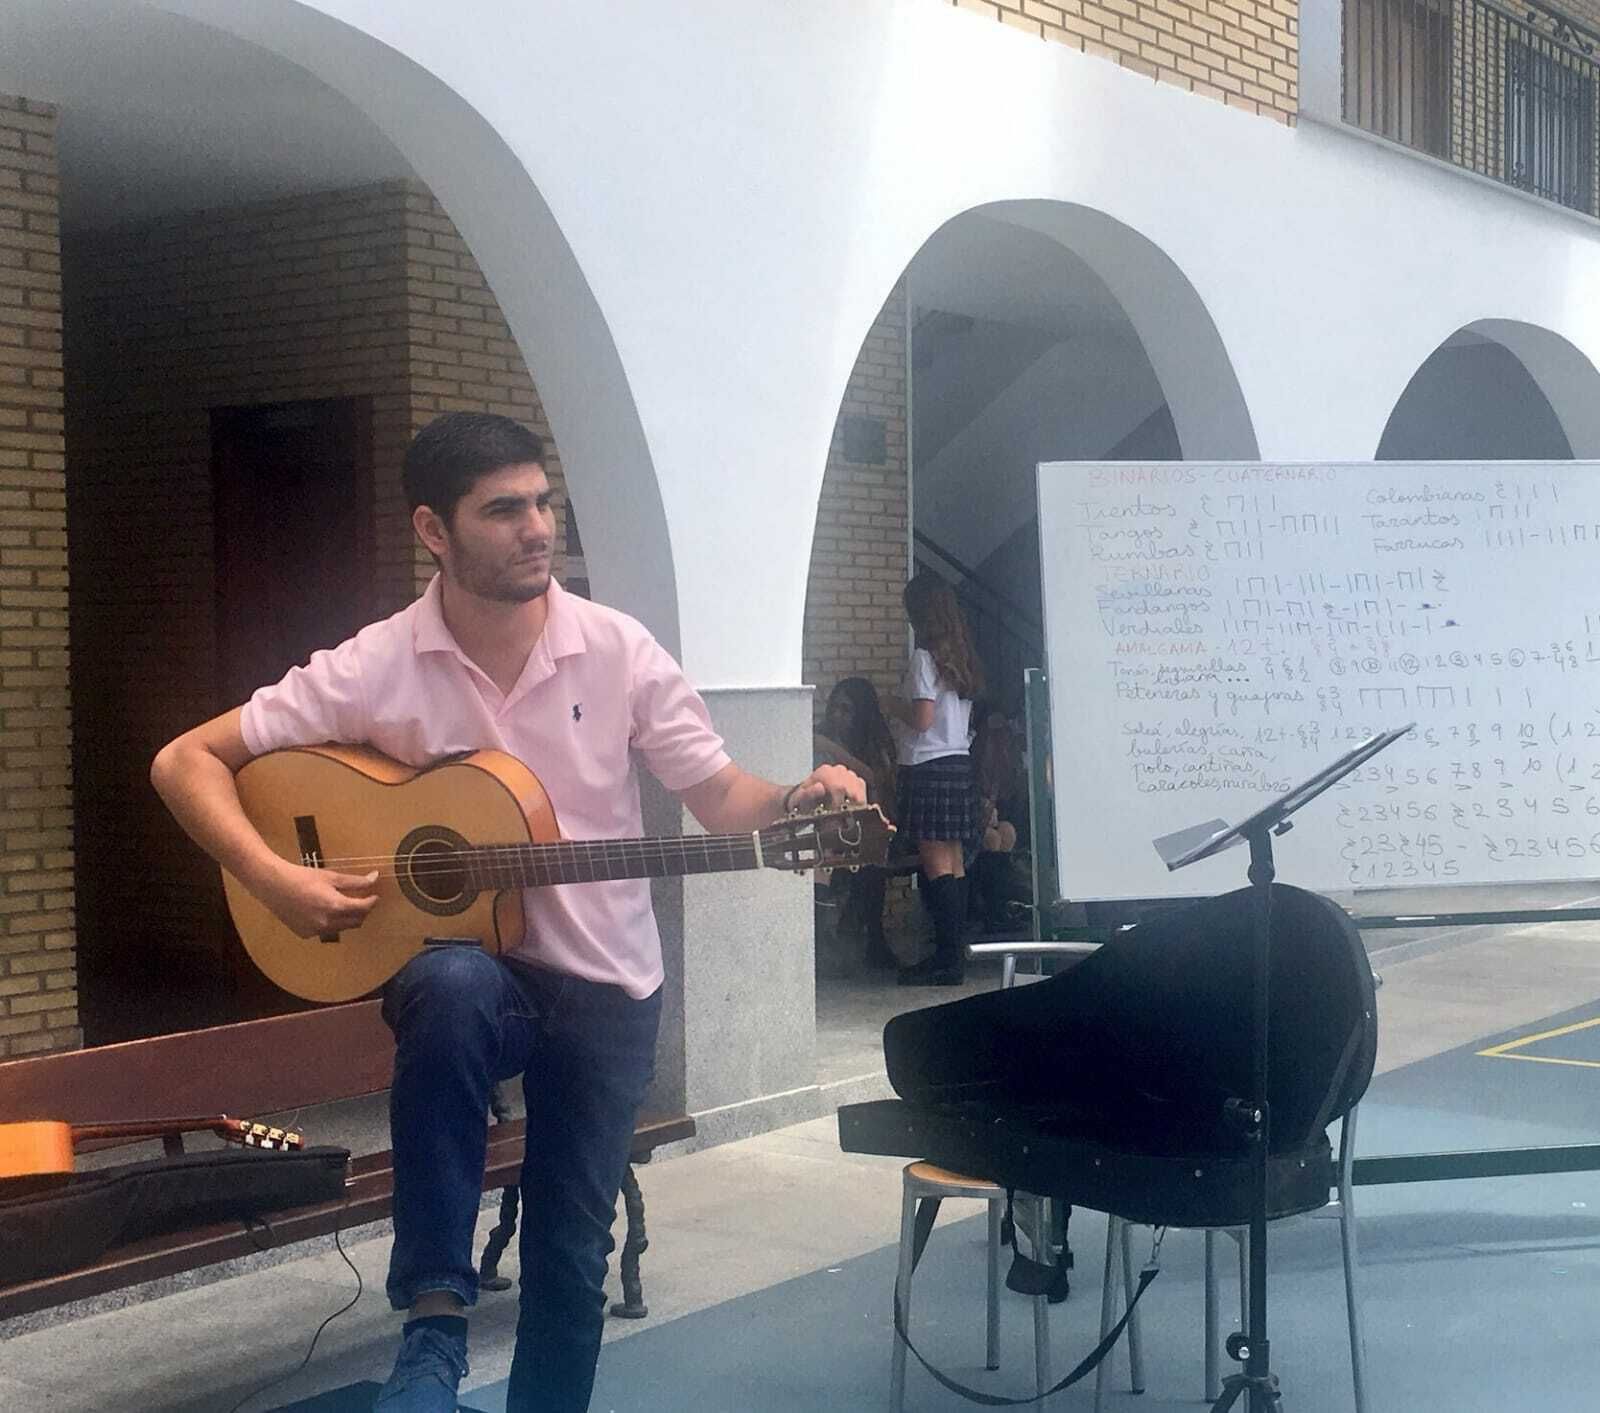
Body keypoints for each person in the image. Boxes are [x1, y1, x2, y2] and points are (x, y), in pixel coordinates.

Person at [149, 412, 864, 1413]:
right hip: (482, 983)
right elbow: (183, 761)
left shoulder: (615, 650)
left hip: (608, 985)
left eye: (542, 501)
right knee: (449, 980)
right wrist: (275, 877)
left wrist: (796, 804)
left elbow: (719, 796)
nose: (538, 527)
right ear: (434, 532)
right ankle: (435, 1320)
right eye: (504, 510)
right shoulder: (378, 663)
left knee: (570, 1251)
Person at [886, 572, 985, 986]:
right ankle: (953, 955)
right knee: (955, 862)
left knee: (934, 861)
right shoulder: (962, 659)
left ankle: (945, 960)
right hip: (958, 762)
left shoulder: (924, 658)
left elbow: (923, 720)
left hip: (928, 765)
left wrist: (891, 705)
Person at [813, 677, 898, 970]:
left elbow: (877, 779)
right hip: (824, 830)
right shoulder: (819, 739)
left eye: (846, 710)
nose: (838, 716)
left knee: (873, 863)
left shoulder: (873, 744)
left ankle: (873, 940)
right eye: (834, 708)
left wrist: (841, 754)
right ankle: (823, 941)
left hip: (863, 830)